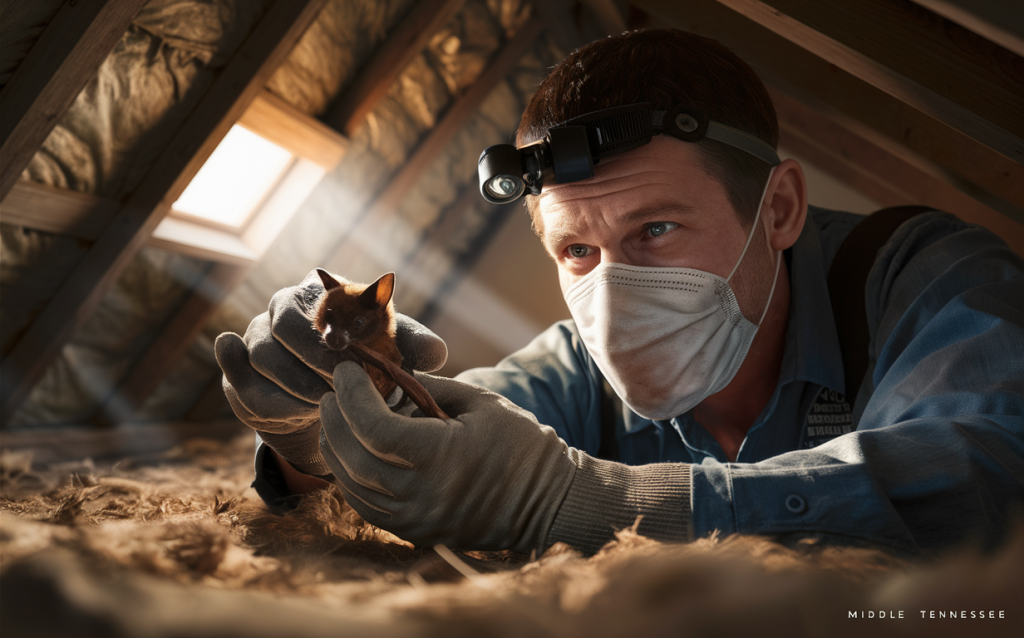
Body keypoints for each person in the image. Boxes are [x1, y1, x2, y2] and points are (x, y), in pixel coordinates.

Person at [215, 29, 1024, 556]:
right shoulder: (576, 365)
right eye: (577, 249)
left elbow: (987, 477)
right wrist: (319, 443)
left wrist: (587, 501)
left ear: (778, 209)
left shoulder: (927, 278)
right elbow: (455, 444)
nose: (616, 291)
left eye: (657, 231)